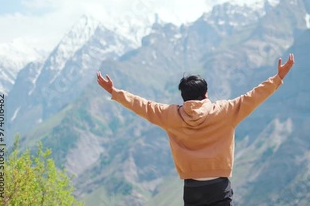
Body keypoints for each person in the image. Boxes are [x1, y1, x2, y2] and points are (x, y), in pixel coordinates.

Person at [96, 53, 295, 206]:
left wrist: (115, 92)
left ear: (184, 96)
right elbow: (253, 97)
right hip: (220, 186)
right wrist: (277, 78)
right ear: (206, 93)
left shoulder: (170, 115)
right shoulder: (224, 111)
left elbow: (143, 105)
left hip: (192, 188)